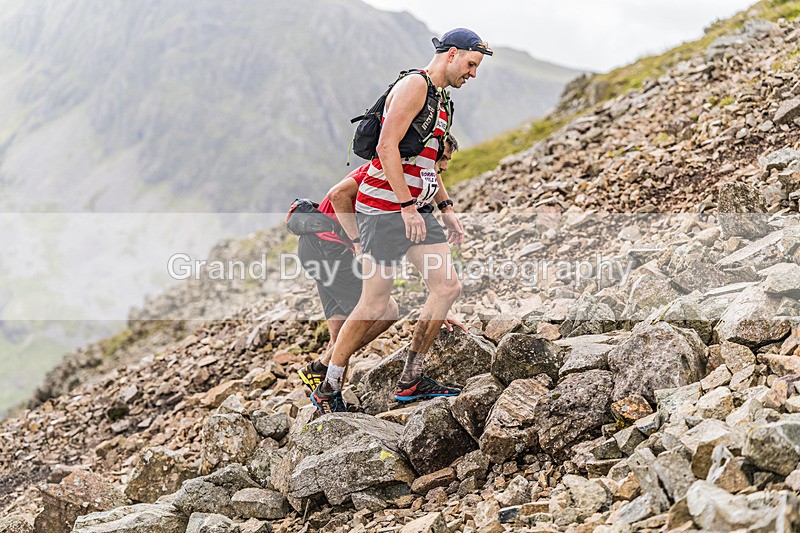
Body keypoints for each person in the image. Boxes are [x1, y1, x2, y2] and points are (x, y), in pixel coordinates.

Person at [311, 28, 492, 414]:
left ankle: (410, 379)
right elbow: (385, 146)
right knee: (375, 302)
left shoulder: (443, 99)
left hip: (418, 209)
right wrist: (407, 206)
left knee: (446, 287)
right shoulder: (415, 85)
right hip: (385, 209)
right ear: (453, 54)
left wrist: (447, 209)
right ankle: (329, 386)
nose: (473, 74)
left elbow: (427, 165)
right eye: (471, 65)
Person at [297, 135, 464, 394]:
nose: (443, 167)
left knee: (343, 327)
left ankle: (326, 390)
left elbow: (410, 250)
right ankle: (323, 374)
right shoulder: (386, 172)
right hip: (327, 245)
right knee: (384, 310)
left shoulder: (413, 177)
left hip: (317, 245)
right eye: (442, 159)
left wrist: (436, 306)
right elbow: (338, 194)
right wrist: (358, 242)